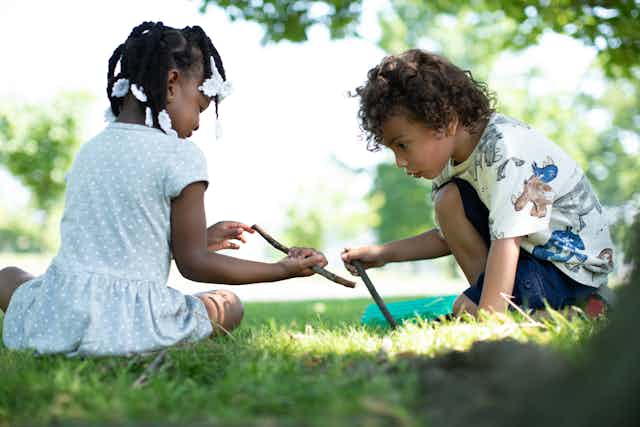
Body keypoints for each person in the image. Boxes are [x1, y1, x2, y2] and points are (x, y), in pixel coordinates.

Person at [0, 21, 326, 356]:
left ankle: (51, 327)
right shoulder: (182, 155)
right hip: (131, 323)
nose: (198, 123)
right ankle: (120, 338)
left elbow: (112, 246)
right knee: (228, 305)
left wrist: (191, 239)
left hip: (63, 312)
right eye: (200, 106)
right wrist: (279, 270)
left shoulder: (91, 149)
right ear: (172, 83)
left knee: (8, 277)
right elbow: (194, 264)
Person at [341, 49, 613, 318]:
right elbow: (446, 237)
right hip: (531, 261)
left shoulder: (505, 151)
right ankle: (508, 310)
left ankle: (578, 310)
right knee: (447, 200)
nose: (400, 161)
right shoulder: (452, 164)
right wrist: (383, 254)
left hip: (565, 269)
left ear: (445, 122)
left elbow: (508, 239)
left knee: (467, 310)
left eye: (402, 145)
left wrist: (488, 317)